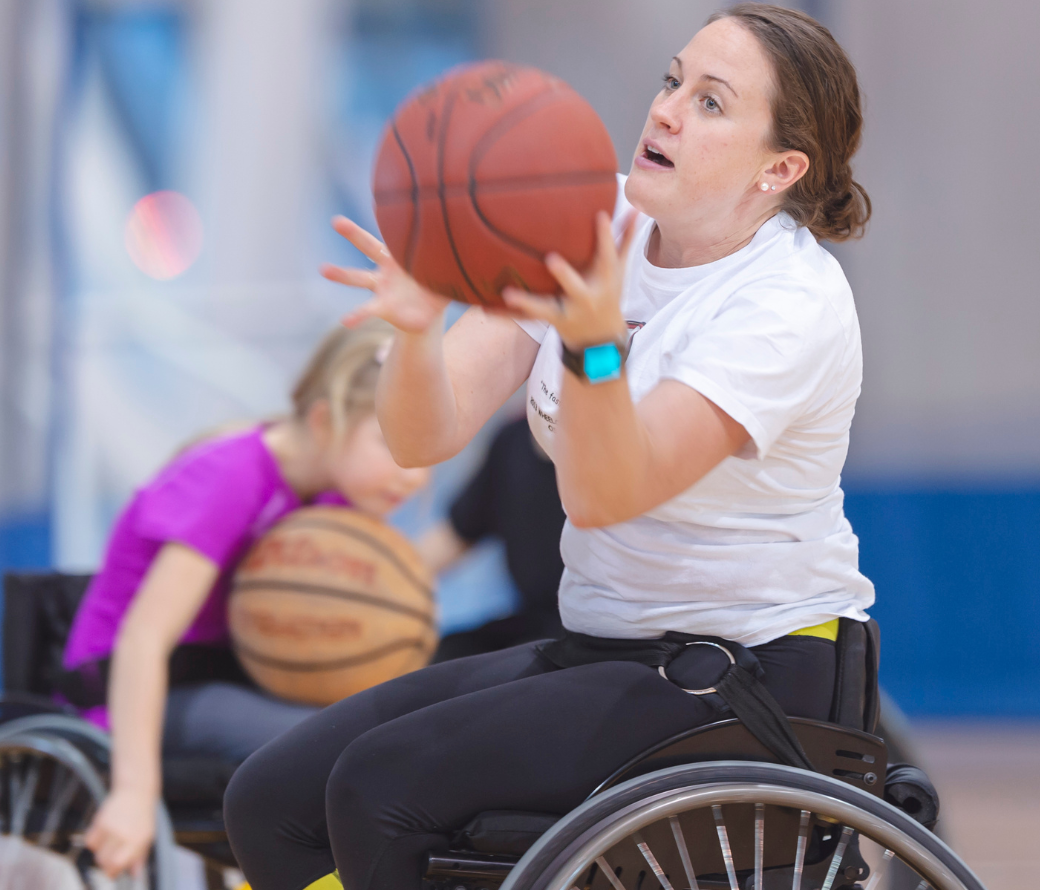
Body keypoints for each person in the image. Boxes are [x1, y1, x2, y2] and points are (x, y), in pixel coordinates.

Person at [224, 7, 876, 890]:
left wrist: (594, 344)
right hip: (605, 645)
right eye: (672, 80)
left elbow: (609, 491)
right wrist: (420, 329)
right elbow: (425, 432)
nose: (668, 110)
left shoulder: (788, 302)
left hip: (747, 674)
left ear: (780, 169)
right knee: (270, 801)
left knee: (382, 792)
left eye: (712, 102)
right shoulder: (590, 217)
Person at [59, 319, 430, 876]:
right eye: (393, 443)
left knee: (405, 725)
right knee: (343, 749)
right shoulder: (229, 475)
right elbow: (143, 638)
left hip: (230, 681)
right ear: (325, 420)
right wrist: (134, 792)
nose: (418, 474)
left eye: (424, 448)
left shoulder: (333, 500)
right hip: (137, 690)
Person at [417, 417, 566, 660]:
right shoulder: (513, 440)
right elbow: (457, 534)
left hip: (601, 635)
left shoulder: (622, 446)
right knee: (433, 659)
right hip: (534, 624)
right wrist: (379, 582)